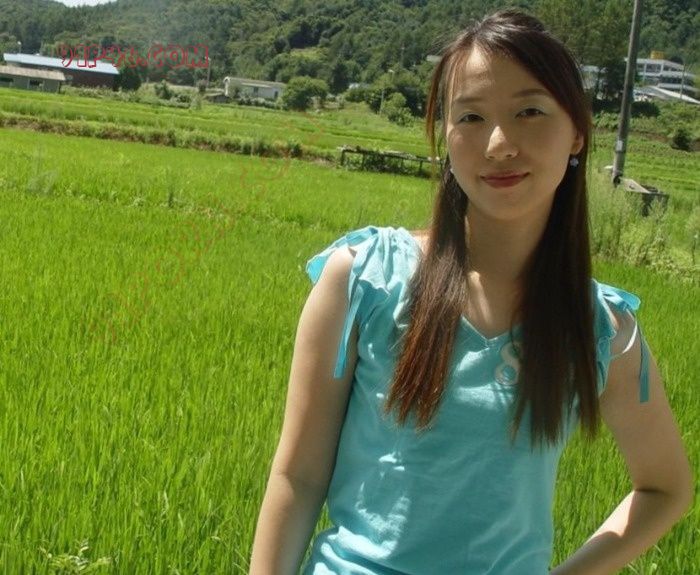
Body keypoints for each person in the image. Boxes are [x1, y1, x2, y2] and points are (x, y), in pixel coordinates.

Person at [248, 8, 693, 575]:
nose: (499, 144)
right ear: (446, 135)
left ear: (577, 132)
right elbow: (298, 476)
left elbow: (665, 489)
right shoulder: (365, 280)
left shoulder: (601, 329)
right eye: (471, 117)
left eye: (529, 111)